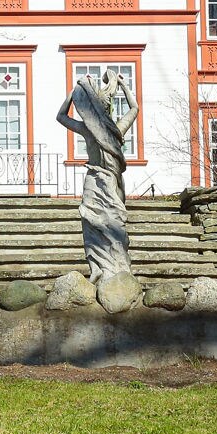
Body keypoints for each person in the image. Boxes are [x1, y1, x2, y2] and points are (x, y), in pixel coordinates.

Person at [55, 70, 139, 281]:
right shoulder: (90, 129)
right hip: (96, 179)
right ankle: (97, 268)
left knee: (115, 223)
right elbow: (60, 118)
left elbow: (61, 116)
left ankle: (119, 268)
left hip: (110, 181)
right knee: (90, 221)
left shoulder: (114, 129)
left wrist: (74, 94)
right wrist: (75, 92)